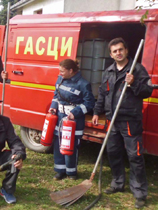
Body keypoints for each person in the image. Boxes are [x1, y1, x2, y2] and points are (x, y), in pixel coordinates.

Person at [92, 37, 153, 209]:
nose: (118, 53)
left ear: (126, 51)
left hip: (129, 120)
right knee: (113, 152)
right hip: (112, 119)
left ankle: (139, 192)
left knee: (135, 156)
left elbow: (147, 91)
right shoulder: (108, 71)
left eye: (120, 49)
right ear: (111, 54)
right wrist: (97, 111)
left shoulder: (137, 70)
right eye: (114, 51)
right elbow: (103, 93)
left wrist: (133, 83)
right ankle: (118, 183)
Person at [49, 59, 95, 181]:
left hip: (73, 120)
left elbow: (89, 103)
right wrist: (53, 108)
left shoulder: (83, 84)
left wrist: (75, 113)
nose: (60, 73)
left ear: (71, 71)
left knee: (71, 145)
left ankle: (71, 172)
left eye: (62, 71)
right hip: (60, 117)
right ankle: (60, 171)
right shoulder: (60, 79)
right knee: (58, 143)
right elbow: (56, 95)